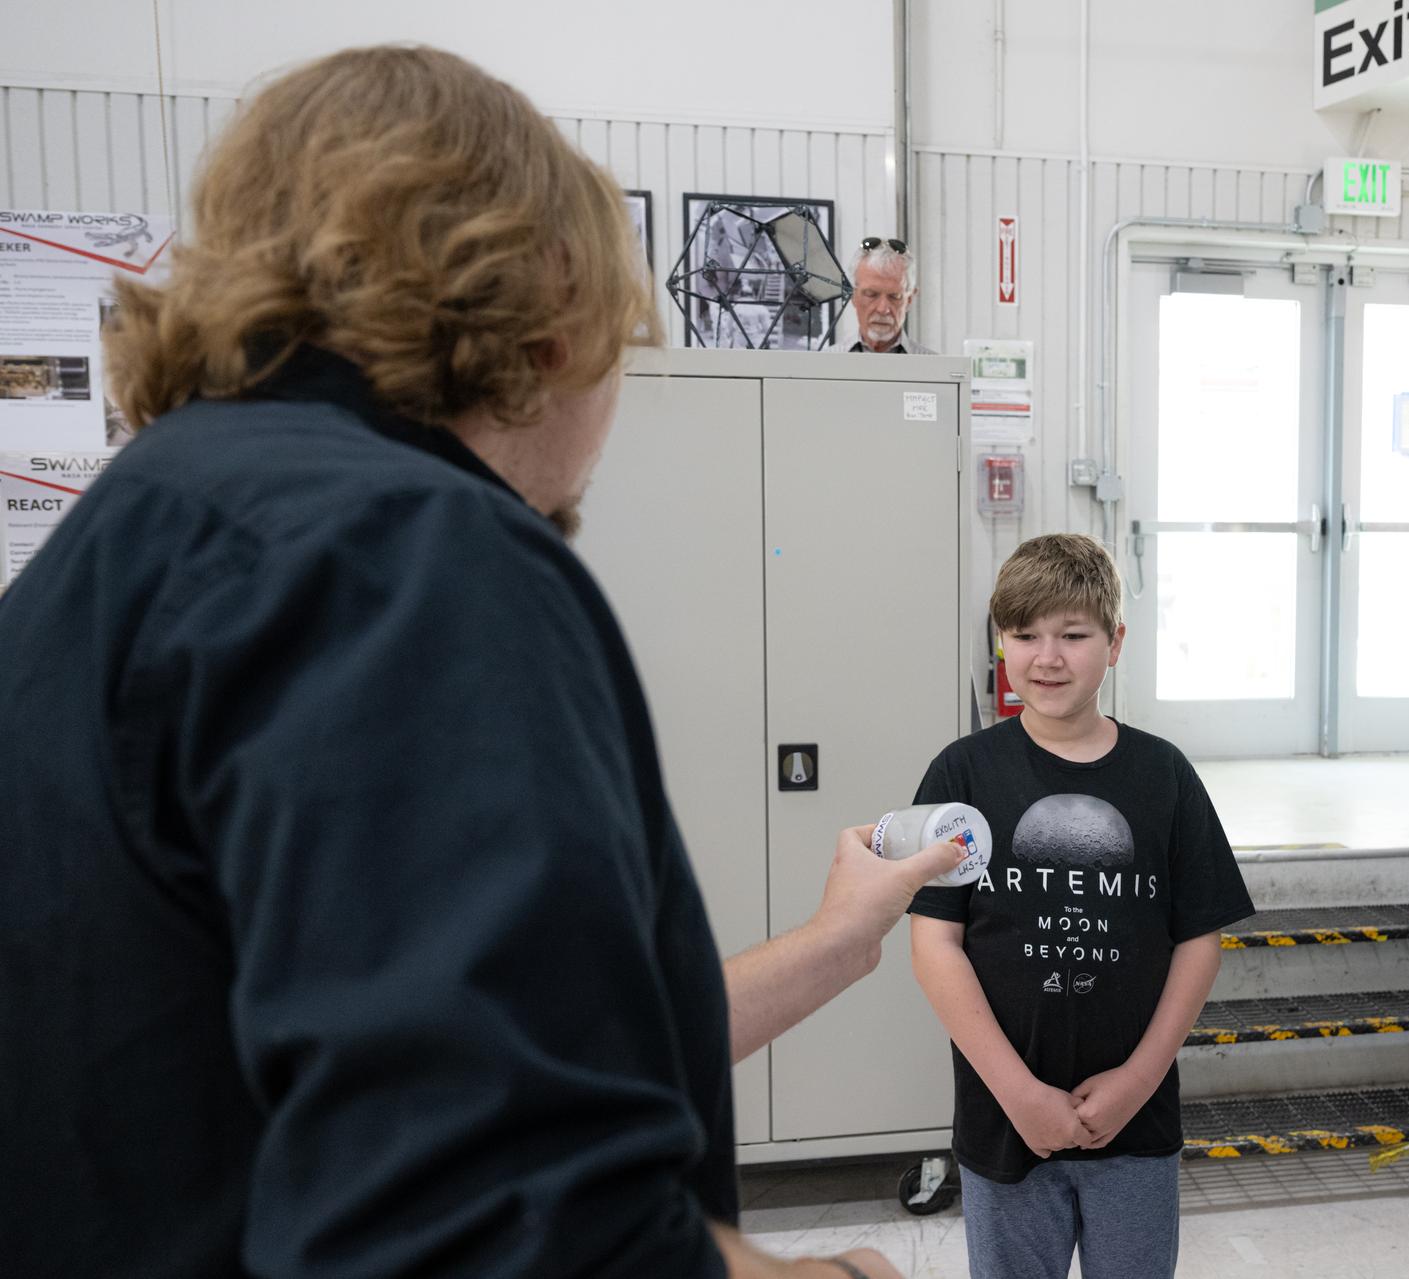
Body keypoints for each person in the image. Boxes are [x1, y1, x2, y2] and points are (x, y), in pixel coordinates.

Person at [0, 46, 960, 1279]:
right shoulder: (402, 559)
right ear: (553, 305)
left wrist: (833, 943)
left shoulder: (130, 537)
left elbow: (431, 1056)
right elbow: (503, 1230)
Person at [907, 533, 1254, 1279]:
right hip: (1006, 1123)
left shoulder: (1165, 777)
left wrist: (1138, 1078)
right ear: (1002, 641)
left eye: (1073, 634)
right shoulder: (962, 773)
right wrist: (1019, 1092)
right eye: (1025, 634)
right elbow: (935, 943)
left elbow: (1199, 940)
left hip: (1135, 1122)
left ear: (1115, 641)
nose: (1048, 656)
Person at [833, 237, 933, 353]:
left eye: (894, 296)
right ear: (853, 295)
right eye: (871, 294)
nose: (883, 309)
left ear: (909, 299)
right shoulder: (822, 364)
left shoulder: (937, 368)